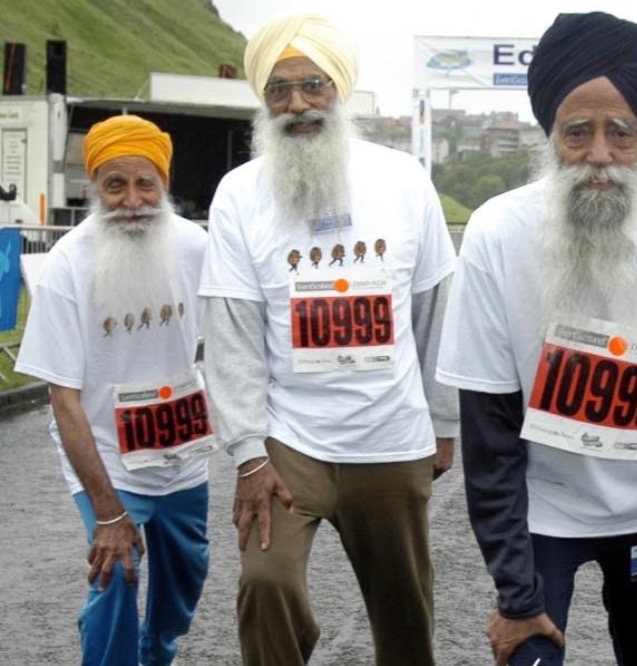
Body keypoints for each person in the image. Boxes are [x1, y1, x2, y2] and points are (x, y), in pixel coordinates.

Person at [435, 12, 637, 666]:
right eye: (578, 132)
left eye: (620, 133)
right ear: (551, 135)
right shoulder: (495, 234)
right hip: (543, 518)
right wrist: (516, 594)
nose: (599, 154)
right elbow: (488, 435)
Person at [197, 13, 458, 666]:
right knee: (266, 583)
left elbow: (435, 309)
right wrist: (248, 453)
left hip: (390, 436)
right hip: (289, 443)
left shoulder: (403, 181)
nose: (297, 104)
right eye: (278, 90)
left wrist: (445, 420)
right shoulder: (239, 195)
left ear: (339, 89)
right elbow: (230, 334)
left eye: (313, 85)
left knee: (405, 613)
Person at [15, 114, 211, 666]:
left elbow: (235, 346)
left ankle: (155, 651)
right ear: (93, 188)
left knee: (183, 588)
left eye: (145, 182)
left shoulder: (197, 247)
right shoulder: (66, 265)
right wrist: (106, 510)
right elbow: (63, 398)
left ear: (164, 184)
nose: (132, 200)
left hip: (181, 455)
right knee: (116, 574)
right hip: (106, 456)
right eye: (115, 184)